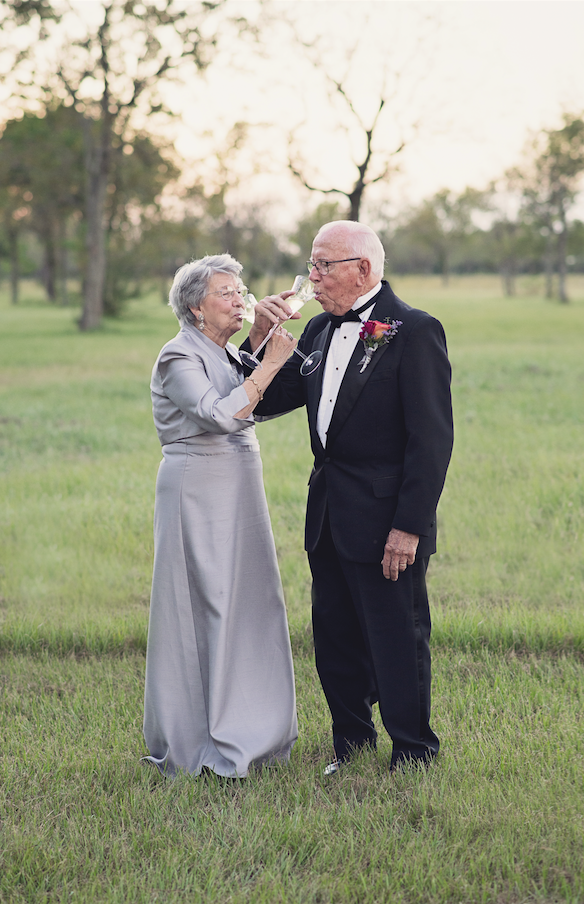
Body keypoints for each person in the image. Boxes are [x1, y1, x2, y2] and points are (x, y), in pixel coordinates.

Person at [243, 221, 453, 773]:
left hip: (388, 521)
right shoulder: (315, 330)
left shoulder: (414, 330)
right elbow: (267, 400)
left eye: (322, 266)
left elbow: (431, 441)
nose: (311, 277)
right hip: (329, 512)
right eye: (310, 265)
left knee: (396, 637)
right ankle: (351, 744)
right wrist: (259, 340)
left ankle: (412, 751)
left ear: (363, 269)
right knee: (334, 637)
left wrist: (409, 526)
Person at [143, 254, 298, 778]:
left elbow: (259, 404)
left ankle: (254, 731)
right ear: (195, 307)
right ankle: (200, 740)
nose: (240, 297)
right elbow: (217, 414)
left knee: (250, 600)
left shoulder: (223, 350)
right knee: (205, 603)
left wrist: (258, 341)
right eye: (227, 292)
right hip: (198, 489)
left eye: (242, 289)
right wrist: (273, 360)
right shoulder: (176, 356)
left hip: (240, 486)